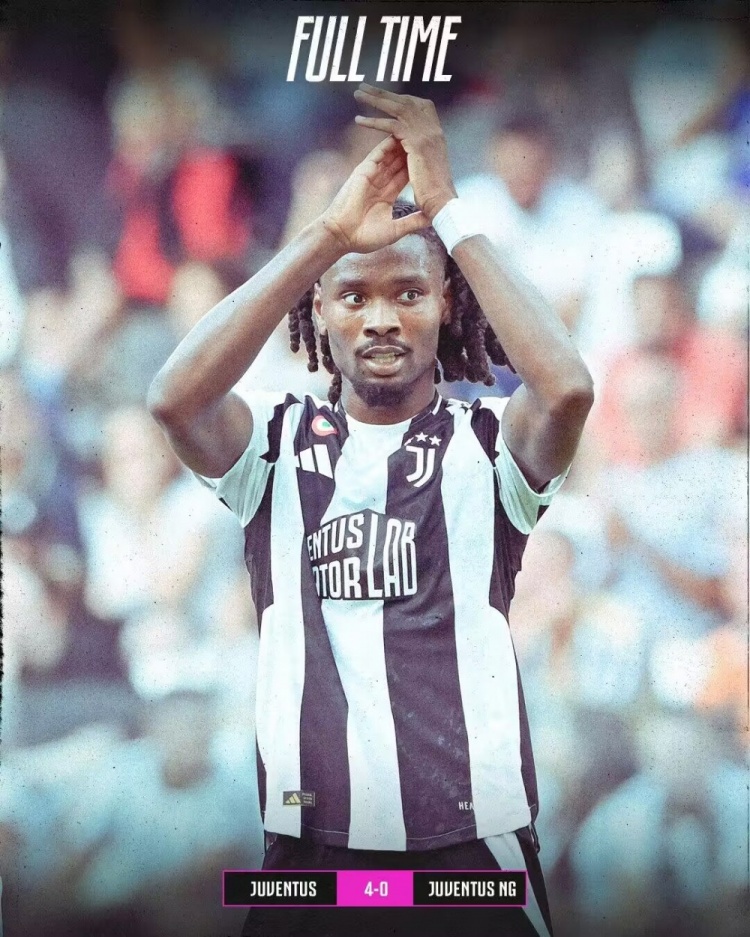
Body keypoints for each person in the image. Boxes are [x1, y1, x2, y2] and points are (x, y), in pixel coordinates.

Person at [148, 84, 594, 937]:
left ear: (446, 304)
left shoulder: (488, 444)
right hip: (312, 860)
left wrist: (447, 207)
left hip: (469, 859)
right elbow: (173, 398)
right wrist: (325, 238)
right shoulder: (274, 444)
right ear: (319, 310)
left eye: (409, 293)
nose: (382, 318)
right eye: (354, 296)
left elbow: (568, 387)